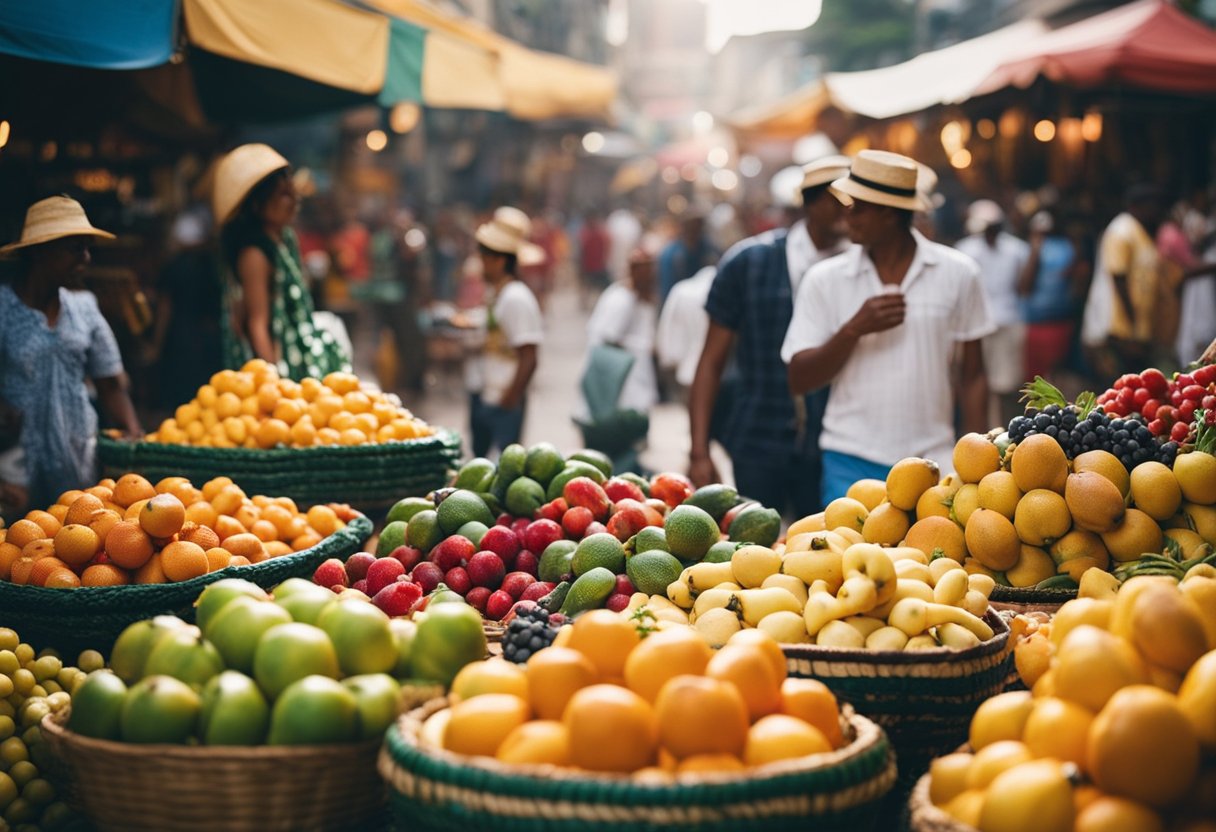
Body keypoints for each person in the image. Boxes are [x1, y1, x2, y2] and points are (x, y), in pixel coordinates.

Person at [783, 151, 994, 502]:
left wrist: (976, 462)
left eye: (858, 206)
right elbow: (799, 378)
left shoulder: (959, 273)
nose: (846, 215)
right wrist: (854, 329)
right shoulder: (824, 279)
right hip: (849, 460)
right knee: (846, 557)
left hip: (935, 461)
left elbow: (973, 376)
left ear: (891, 214)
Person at [689, 156, 852, 517]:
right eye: (839, 199)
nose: (850, 209)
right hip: (758, 437)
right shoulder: (748, 263)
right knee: (756, 554)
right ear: (811, 202)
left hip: (835, 445)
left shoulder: (863, 269)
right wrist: (699, 451)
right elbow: (711, 362)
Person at [0, 196, 142, 508]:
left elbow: (110, 384)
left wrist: (134, 437)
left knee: (78, 537)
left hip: (76, 455)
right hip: (14, 465)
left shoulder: (84, 308)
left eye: (87, 247)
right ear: (39, 251)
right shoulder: (3, 309)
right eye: (75, 248)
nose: (86, 258)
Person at [213, 143, 351, 381]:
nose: (295, 200)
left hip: (297, 360)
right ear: (257, 204)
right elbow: (258, 324)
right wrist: (275, 382)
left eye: (293, 191)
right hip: (278, 365)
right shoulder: (254, 254)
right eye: (283, 195)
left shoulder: (283, 241)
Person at [465, 207, 545, 458]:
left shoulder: (516, 299)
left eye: (485, 259)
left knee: (503, 464)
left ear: (499, 261)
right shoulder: (497, 294)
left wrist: (510, 399)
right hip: (486, 392)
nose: (481, 266)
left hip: (503, 399)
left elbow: (529, 356)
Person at [576, 247, 660, 471]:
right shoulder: (621, 299)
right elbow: (607, 337)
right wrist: (641, 347)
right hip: (622, 384)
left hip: (635, 379)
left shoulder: (635, 295)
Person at [956, 200, 1030, 424]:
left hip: (1008, 321)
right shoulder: (965, 250)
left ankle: (1005, 427)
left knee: (1007, 383)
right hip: (977, 324)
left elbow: (1024, 286)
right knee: (975, 377)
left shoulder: (1016, 249)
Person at [1081, 185, 1167, 378]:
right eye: (1153, 205)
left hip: (1135, 330)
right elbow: (1118, 277)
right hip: (1119, 330)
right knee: (1119, 388)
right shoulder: (1122, 231)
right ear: (1138, 206)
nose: (1158, 211)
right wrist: (1132, 327)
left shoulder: (1140, 231)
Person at [148, 208, 223, 412]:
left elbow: (165, 308)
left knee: (180, 404)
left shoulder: (174, 266)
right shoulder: (212, 265)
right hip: (208, 340)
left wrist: (156, 343)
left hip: (179, 339)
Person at [1018, 210, 1084, 381]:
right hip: (1034, 321)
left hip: (1059, 320)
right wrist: (1035, 250)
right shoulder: (1027, 249)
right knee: (1035, 378)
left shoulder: (1066, 247)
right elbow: (1024, 287)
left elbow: (1075, 280)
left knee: (1055, 375)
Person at [658, 210, 717, 305]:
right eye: (691, 227)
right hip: (679, 303)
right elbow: (667, 287)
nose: (694, 231)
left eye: (698, 228)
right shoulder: (671, 254)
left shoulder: (707, 249)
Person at [577, 211, 611, 309]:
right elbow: (581, 251)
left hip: (598, 266)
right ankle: (585, 303)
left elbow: (605, 248)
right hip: (588, 266)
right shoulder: (585, 235)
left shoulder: (599, 234)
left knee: (602, 287)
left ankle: (602, 302)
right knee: (587, 286)